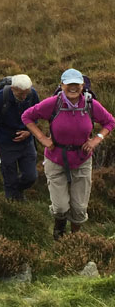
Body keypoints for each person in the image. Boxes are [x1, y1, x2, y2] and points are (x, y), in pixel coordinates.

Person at [22, 68, 115, 239]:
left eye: (76, 84)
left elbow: (110, 122)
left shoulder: (90, 104)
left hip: (82, 160)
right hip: (56, 160)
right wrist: (42, 138)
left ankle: (74, 239)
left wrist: (96, 139)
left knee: (79, 208)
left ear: (82, 85)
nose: (73, 87)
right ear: (62, 85)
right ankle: (59, 232)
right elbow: (27, 116)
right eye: (69, 84)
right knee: (60, 207)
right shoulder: (53, 103)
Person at [0, 74, 39, 201]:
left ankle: (17, 191)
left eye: (26, 93)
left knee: (31, 176)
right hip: (6, 143)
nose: (24, 97)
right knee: (9, 179)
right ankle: (12, 204)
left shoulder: (32, 94)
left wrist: (29, 132)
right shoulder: (0, 98)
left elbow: (37, 115)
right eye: (20, 94)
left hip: (26, 143)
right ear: (13, 88)